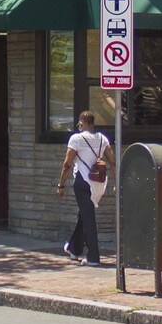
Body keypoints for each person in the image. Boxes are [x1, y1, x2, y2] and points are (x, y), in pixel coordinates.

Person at [55, 111, 111, 265]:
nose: (79, 126)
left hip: (82, 181)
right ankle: (74, 248)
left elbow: (67, 164)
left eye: (80, 124)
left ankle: (93, 257)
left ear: (82, 123)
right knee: (84, 214)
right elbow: (112, 161)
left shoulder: (76, 139)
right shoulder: (102, 139)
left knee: (89, 218)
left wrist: (61, 185)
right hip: (98, 182)